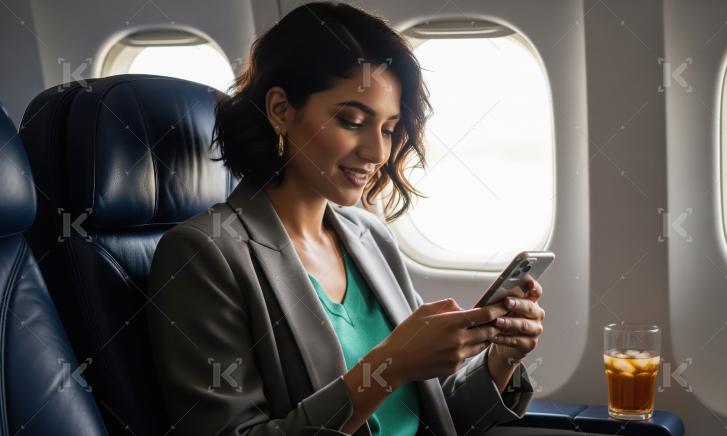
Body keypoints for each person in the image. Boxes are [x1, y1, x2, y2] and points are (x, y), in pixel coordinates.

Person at [146, 2, 545, 435]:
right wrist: (389, 366)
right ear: (281, 110)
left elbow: (429, 415)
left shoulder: (369, 236)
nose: (376, 153)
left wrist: (500, 358)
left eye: (389, 129)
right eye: (353, 121)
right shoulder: (203, 255)